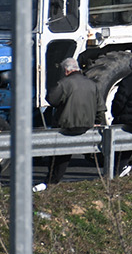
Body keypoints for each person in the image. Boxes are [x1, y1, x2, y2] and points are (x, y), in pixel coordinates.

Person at [37, 58, 98, 190]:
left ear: (66, 70)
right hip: (87, 126)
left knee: (58, 153)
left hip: (67, 126)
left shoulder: (64, 83)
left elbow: (52, 100)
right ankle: (54, 179)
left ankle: (52, 180)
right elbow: (100, 106)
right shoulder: (92, 84)